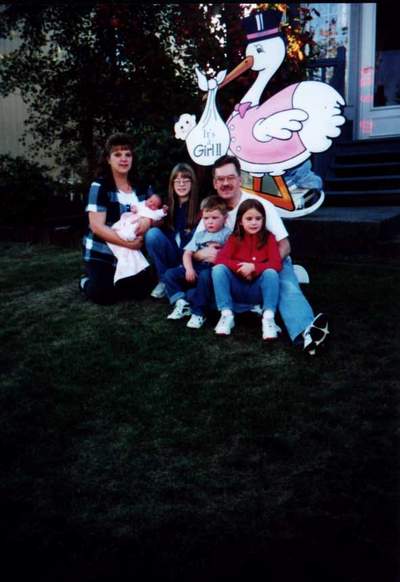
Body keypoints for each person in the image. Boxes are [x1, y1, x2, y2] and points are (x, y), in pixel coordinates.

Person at [192, 154, 329, 355]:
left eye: (230, 177)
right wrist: (200, 254)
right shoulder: (213, 209)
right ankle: (235, 311)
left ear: (240, 179)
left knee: (285, 285)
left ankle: (306, 333)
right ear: (214, 183)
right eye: (220, 179)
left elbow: (285, 246)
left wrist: (261, 267)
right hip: (235, 268)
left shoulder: (258, 205)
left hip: (269, 261)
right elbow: (194, 249)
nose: (225, 183)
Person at [80, 133, 155, 305]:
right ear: (108, 159)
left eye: (128, 154)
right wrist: (128, 244)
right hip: (103, 251)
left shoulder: (143, 186)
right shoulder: (99, 186)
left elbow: (158, 216)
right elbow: (97, 227)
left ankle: (121, 280)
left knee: (140, 292)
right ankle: (85, 281)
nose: (123, 159)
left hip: (132, 254)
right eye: (117, 154)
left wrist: (148, 221)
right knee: (103, 296)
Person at [212, 198, 282, 340]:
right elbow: (220, 259)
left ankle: (268, 318)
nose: (254, 222)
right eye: (249, 219)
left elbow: (276, 263)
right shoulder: (234, 238)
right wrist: (241, 267)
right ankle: (226, 315)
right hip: (238, 287)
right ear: (240, 221)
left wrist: (254, 267)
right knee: (218, 269)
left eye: (258, 218)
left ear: (263, 220)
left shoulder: (269, 238)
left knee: (271, 273)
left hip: (257, 290)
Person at [163, 195, 231, 328]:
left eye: (214, 218)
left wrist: (219, 254)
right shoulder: (200, 234)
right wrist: (189, 269)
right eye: (206, 218)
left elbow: (230, 255)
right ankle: (181, 302)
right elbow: (187, 253)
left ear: (225, 218)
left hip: (212, 271)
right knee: (170, 274)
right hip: (196, 268)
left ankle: (199, 313)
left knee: (205, 276)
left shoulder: (227, 235)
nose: (210, 222)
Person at [145, 163, 200, 299]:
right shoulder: (166, 206)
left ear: (192, 183)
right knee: (152, 235)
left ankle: (178, 281)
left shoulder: (200, 207)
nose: (181, 184)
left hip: (189, 258)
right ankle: (164, 281)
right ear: (172, 183)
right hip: (171, 254)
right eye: (177, 181)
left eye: (186, 180)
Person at [107, 195, 168, 284]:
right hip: (132, 219)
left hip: (139, 228)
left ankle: (127, 236)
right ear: (147, 200)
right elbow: (134, 206)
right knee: (126, 224)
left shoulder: (154, 212)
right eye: (150, 201)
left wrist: (163, 211)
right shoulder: (142, 204)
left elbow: (160, 214)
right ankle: (122, 233)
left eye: (154, 205)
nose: (151, 204)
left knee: (133, 229)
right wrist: (134, 209)